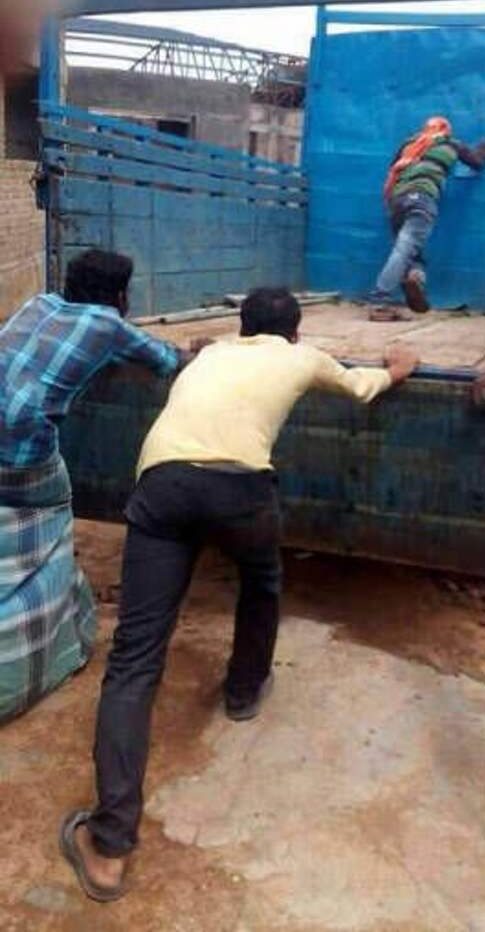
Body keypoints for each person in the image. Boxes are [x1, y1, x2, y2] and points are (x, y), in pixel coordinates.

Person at [59, 285, 419, 903]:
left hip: (164, 487)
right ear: (296, 333)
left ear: (242, 326)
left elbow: (194, 357)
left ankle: (110, 847)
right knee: (261, 582)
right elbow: (362, 388)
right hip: (242, 492)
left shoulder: (211, 354)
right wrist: (395, 369)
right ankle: (244, 690)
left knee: (135, 661)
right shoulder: (301, 358)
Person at [0, 249, 181, 723]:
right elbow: (165, 359)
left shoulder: (37, 303)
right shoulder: (109, 325)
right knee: (53, 524)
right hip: (24, 464)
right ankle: (58, 631)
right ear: (120, 296)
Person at [368, 116, 485, 320]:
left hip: (396, 200)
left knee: (410, 250)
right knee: (404, 249)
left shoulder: (409, 144)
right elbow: (477, 163)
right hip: (422, 197)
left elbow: (394, 169)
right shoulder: (451, 144)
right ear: (446, 130)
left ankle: (415, 276)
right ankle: (380, 302)